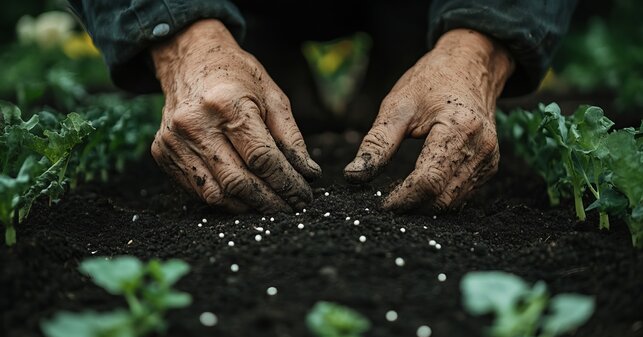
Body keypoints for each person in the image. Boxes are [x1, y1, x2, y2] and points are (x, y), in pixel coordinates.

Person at [68, 0, 577, 213]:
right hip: (246, 11)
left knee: (422, 122)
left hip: (419, 11)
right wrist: (181, 36)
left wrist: (478, 46)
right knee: (248, 122)